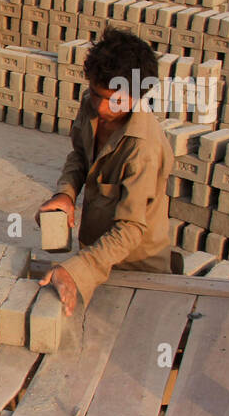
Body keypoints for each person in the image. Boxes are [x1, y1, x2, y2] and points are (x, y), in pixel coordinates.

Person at [35, 28, 173, 314]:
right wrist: (65, 195)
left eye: (114, 100)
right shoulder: (92, 105)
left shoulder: (143, 149)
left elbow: (131, 229)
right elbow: (80, 157)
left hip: (136, 268)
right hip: (96, 252)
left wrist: (79, 269)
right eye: (97, 93)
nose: (101, 106)